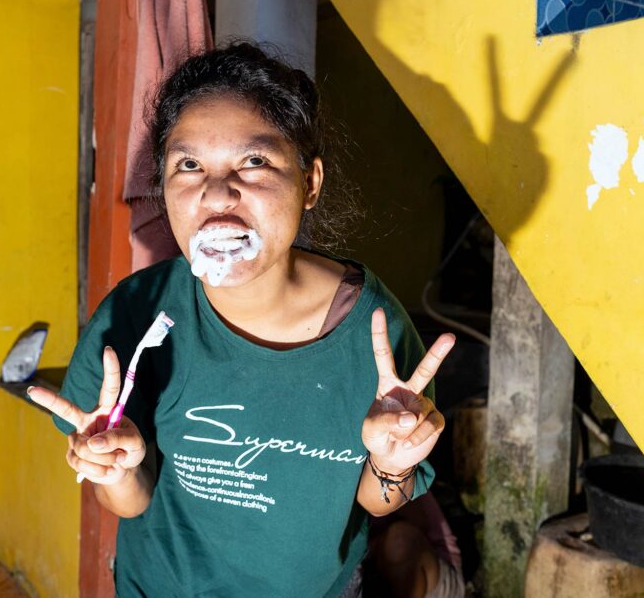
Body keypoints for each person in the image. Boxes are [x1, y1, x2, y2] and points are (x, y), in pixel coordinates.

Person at [28, 42, 455, 597]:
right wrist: (115, 469)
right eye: (188, 165)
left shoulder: (375, 334)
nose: (216, 193)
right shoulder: (135, 316)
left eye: (254, 161)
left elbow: (376, 500)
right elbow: (130, 504)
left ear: (311, 183)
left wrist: (390, 463)